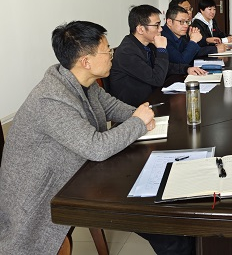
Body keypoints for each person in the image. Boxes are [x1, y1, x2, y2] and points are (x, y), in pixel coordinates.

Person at [0, 21, 156, 254]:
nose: (111, 55)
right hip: (37, 199)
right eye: (107, 50)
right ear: (86, 61)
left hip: (78, 174)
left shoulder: (83, 81)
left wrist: (142, 115)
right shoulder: (51, 99)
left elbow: (112, 106)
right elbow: (96, 148)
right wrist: (138, 122)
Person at [110, 5, 206, 106]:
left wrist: (186, 69)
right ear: (140, 29)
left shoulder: (147, 44)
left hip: (151, 99)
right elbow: (156, 79)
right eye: (156, 25)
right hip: (134, 108)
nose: (160, 29)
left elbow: (163, 67)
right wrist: (161, 49)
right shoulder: (127, 52)